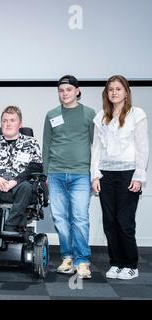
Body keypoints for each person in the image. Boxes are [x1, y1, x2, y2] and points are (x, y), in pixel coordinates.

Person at [91, 75, 149, 280]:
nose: (114, 92)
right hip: (106, 175)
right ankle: (116, 263)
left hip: (128, 174)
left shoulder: (137, 114)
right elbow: (96, 149)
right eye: (110, 89)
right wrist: (95, 175)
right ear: (106, 93)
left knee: (125, 222)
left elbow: (143, 148)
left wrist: (139, 176)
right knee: (110, 221)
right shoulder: (101, 117)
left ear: (126, 92)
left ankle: (130, 264)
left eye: (118, 89)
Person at [43, 75, 96, 279]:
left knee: (80, 218)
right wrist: (46, 172)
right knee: (60, 218)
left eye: (68, 89)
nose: (64, 93)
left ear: (77, 90)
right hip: (55, 174)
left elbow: (96, 146)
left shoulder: (89, 114)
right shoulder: (51, 114)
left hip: (81, 174)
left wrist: (94, 174)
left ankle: (82, 261)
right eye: (61, 90)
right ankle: (67, 257)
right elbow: (46, 145)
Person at [0, 106, 42, 232]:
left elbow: (35, 167)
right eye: (5, 120)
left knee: (26, 187)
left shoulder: (31, 143)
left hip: (20, 184)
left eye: (12, 120)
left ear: (20, 124)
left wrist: (15, 181)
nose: (8, 124)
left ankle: (11, 226)